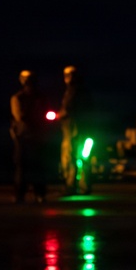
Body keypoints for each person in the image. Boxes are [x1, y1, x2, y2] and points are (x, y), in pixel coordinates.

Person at [10, 70, 50, 203]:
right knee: (36, 166)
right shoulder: (40, 97)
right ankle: (38, 194)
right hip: (34, 136)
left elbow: (19, 116)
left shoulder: (18, 98)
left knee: (23, 167)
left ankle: (21, 195)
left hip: (24, 136)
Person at [58, 65, 95, 195]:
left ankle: (70, 187)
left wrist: (57, 115)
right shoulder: (86, 91)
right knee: (85, 157)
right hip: (86, 130)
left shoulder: (71, 91)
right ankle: (85, 187)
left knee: (70, 157)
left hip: (72, 130)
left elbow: (67, 109)